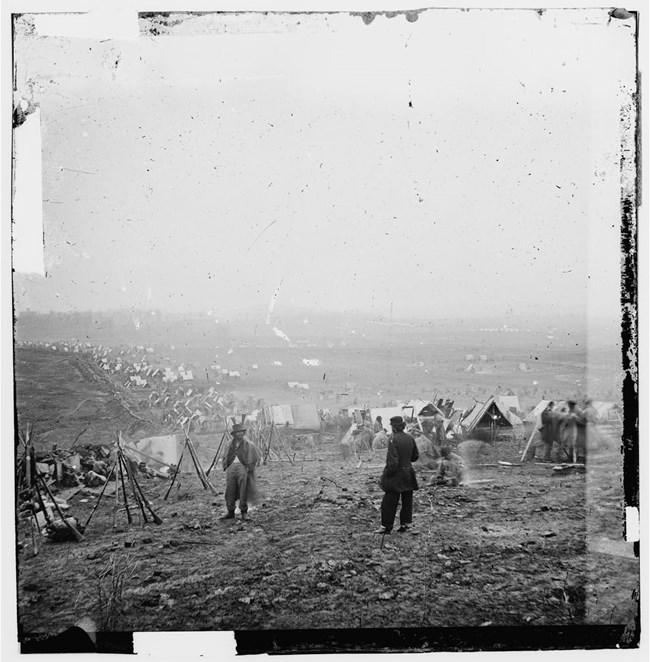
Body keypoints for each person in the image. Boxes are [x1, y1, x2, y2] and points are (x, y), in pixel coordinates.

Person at [377, 416, 419, 534]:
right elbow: (415, 456)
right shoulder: (410, 438)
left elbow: (392, 461)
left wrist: (387, 476)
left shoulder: (393, 439)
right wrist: (406, 460)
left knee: (389, 502)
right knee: (407, 501)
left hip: (396, 475)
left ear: (394, 427)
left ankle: (386, 527)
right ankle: (406, 525)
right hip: (408, 473)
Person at [220, 423, 261, 520]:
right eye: (238, 432)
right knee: (229, 490)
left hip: (242, 467)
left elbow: (255, 457)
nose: (240, 434)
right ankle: (230, 512)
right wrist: (226, 465)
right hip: (231, 468)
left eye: (241, 432)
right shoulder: (229, 444)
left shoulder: (249, 444)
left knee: (243, 490)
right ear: (234, 434)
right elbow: (225, 456)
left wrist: (248, 468)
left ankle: (243, 512)